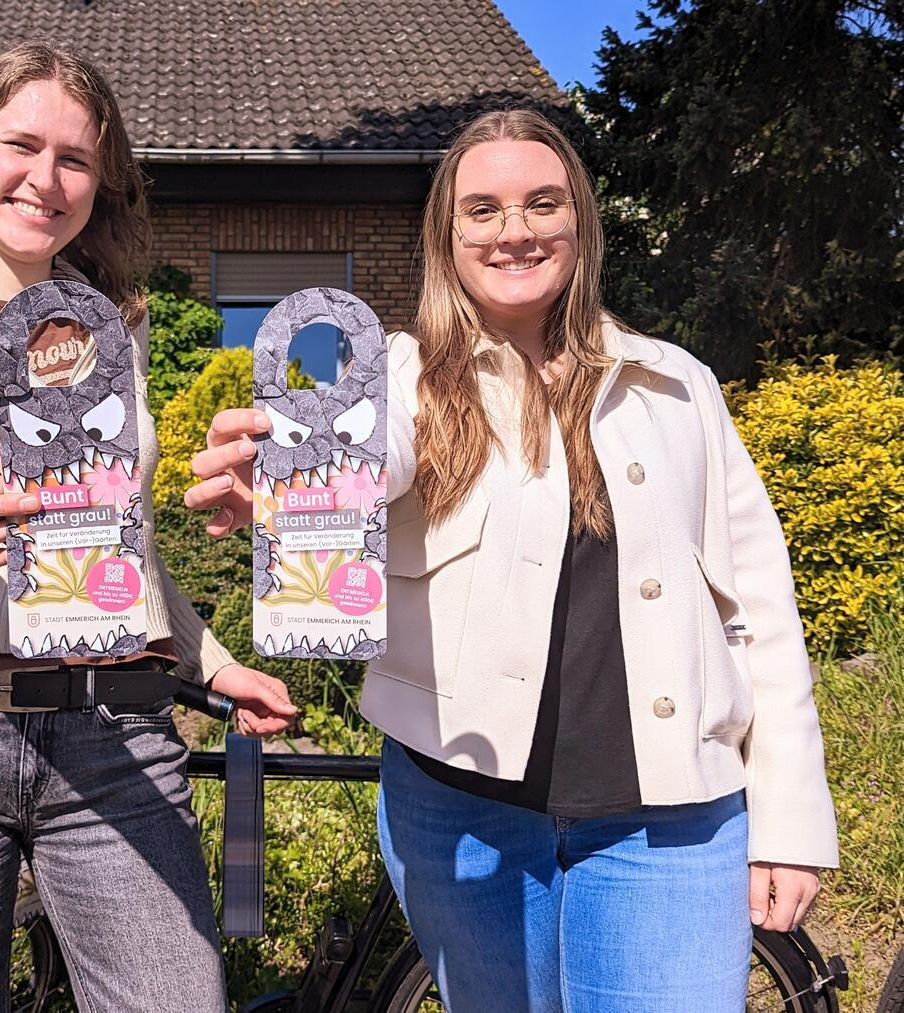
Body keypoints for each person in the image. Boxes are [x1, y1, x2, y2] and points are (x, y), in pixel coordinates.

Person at [184, 108, 838, 1011]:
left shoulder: (677, 384)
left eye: (542, 203)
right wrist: (285, 473)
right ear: (447, 237)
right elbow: (368, 455)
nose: (515, 230)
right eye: (482, 210)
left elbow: (759, 609)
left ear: (582, 221)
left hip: (672, 820)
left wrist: (792, 820)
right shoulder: (403, 376)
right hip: (464, 811)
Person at [0, 41, 294, 1013]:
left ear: (101, 184)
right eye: (22, 144)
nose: (47, 177)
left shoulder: (114, 321)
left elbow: (120, 544)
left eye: (75, 158)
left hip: (116, 725)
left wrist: (211, 661)